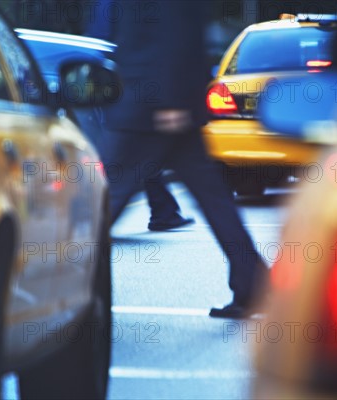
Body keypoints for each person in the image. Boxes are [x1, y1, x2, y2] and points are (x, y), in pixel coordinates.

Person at [100, 0, 268, 318]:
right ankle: (253, 283)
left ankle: (55, 287)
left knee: (104, 200)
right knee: (214, 199)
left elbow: (171, 31)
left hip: (151, 107)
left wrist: (169, 100)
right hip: (161, 104)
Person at [82, 0, 194, 232]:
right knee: (125, 165)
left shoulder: (105, 5)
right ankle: (85, 238)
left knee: (136, 158)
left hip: (123, 88)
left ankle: (164, 210)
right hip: (127, 89)